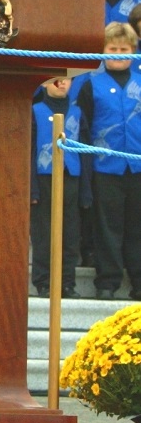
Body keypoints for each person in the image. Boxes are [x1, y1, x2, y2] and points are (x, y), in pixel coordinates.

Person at [75, 22, 141, 300]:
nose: (117, 54)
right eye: (112, 49)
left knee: (137, 228)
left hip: (137, 166)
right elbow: (84, 127)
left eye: (123, 49)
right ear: (102, 51)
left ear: (133, 51)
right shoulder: (90, 84)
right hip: (105, 167)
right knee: (107, 228)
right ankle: (107, 282)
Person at [30, 75, 87, 298]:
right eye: (56, 80)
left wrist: (85, 190)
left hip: (71, 176)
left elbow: (86, 154)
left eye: (65, 80)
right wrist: (32, 188)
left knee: (70, 235)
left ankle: (67, 282)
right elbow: (30, 151)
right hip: (44, 178)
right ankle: (44, 281)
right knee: (44, 234)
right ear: (44, 83)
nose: (61, 83)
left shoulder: (78, 112)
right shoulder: (35, 111)